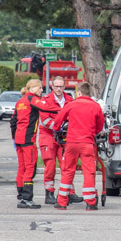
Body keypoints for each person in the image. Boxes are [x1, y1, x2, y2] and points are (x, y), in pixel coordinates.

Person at [53, 82, 104, 211]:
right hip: (87, 144)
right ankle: (91, 202)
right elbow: (100, 126)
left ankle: (62, 202)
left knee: (68, 171)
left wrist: (57, 130)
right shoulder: (96, 106)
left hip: (71, 143)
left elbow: (58, 121)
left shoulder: (71, 105)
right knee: (89, 172)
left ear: (79, 93)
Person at [10, 79, 57, 209]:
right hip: (28, 141)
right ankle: (27, 198)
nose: (42, 90)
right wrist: (63, 109)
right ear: (32, 89)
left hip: (19, 140)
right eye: (40, 88)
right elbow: (46, 107)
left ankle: (20, 198)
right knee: (30, 168)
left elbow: (13, 121)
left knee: (22, 168)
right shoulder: (32, 99)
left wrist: (15, 138)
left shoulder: (20, 102)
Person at [38, 76, 83, 205]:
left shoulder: (69, 100)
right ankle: (49, 193)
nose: (58, 89)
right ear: (52, 86)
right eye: (56, 86)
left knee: (67, 165)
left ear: (64, 87)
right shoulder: (45, 100)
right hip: (49, 136)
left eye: (61, 86)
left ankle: (69, 192)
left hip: (63, 137)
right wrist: (60, 126)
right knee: (50, 166)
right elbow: (45, 120)